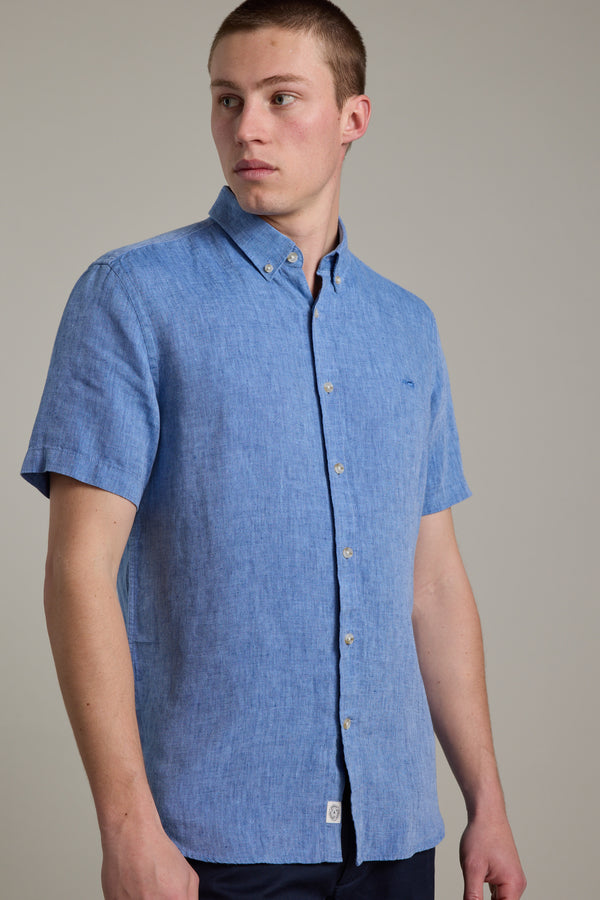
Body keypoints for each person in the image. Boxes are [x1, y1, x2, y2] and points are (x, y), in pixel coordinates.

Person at [21, 1, 526, 898]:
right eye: (226, 100)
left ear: (352, 118)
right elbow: (77, 573)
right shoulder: (133, 297)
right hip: (213, 841)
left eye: (281, 98)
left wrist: (487, 800)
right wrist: (129, 827)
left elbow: (434, 584)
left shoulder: (407, 329)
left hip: (393, 835)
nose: (246, 128)